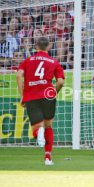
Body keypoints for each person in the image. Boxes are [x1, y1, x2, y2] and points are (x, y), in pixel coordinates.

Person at [16, 37, 65, 165]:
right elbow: (60, 82)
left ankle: (39, 132)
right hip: (48, 95)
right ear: (48, 47)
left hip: (31, 96)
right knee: (48, 125)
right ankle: (48, 158)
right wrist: (54, 92)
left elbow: (18, 75)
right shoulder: (54, 62)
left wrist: (23, 95)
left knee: (36, 128)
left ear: (36, 47)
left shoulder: (28, 61)